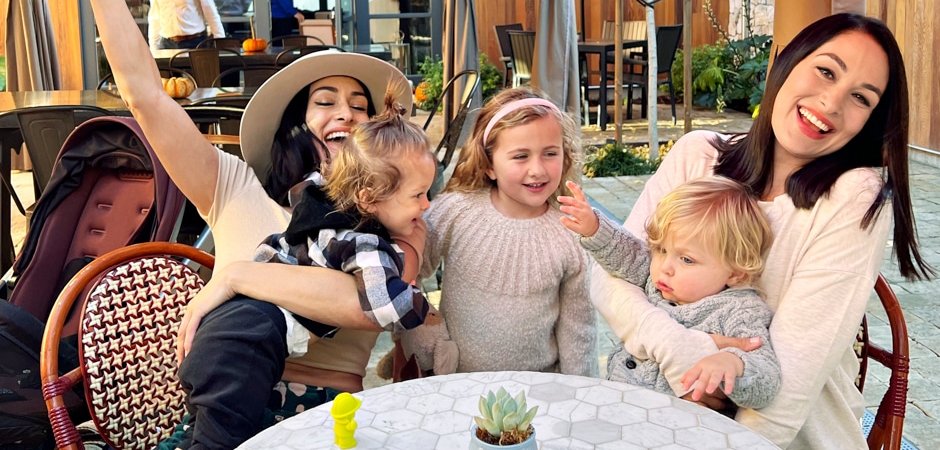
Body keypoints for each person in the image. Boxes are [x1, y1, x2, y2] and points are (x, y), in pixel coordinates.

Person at [14, 0, 426, 443]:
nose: (345, 113)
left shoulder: (397, 211)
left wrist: (237, 274)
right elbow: (145, 96)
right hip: (217, 421)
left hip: (330, 425)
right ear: (295, 123)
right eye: (325, 100)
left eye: (360, 105)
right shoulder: (232, 185)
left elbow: (366, 304)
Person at [590, 13, 933, 449]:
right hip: (657, 418)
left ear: (870, 121)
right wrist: (685, 356)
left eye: (860, 98)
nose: (830, 103)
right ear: (785, 63)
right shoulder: (697, 156)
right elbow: (613, 275)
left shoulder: (854, 197)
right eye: (825, 71)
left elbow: (790, 383)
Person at [175, 93, 439, 448]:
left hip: (231, 343)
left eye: (359, 106)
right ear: (367, 197)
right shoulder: (362, 243)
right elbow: (384, 303)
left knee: (206, 434)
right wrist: (424, 306)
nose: (426, 205)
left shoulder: (318, 204)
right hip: (243, 348)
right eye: (419, 195)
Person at [416, 87, 597, 376]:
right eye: (520, 156)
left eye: (550, 153)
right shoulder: (455, 211)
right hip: (456, 385)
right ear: (489, 164)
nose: (537, 169)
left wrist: (581, 394)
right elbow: (408, 268)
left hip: (536, 392)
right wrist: (418, 329)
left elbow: (578, 330)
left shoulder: (570, 234)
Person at [560, 176, 780, 408]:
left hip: (675, 428)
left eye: (686, 259)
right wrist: (595, 227)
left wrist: (734, 363)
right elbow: (628, 254)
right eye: (662, 249)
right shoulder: (659, 280)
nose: (665, 266)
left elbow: (767, 378)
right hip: (618, 405)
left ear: (736, 273)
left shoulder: (740, 310)